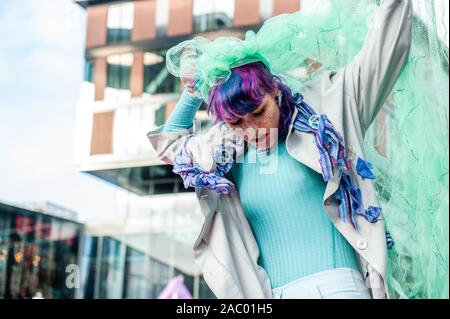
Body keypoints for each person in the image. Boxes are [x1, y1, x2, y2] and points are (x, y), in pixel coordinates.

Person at [147, 0, 412, 299]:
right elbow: (170, 146)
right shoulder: (227, 154)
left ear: (274, 89)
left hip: (341, 290)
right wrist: (193, 91)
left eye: (259, 112)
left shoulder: (328, 113)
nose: (252, 130)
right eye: (236, 122)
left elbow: (387, 47)